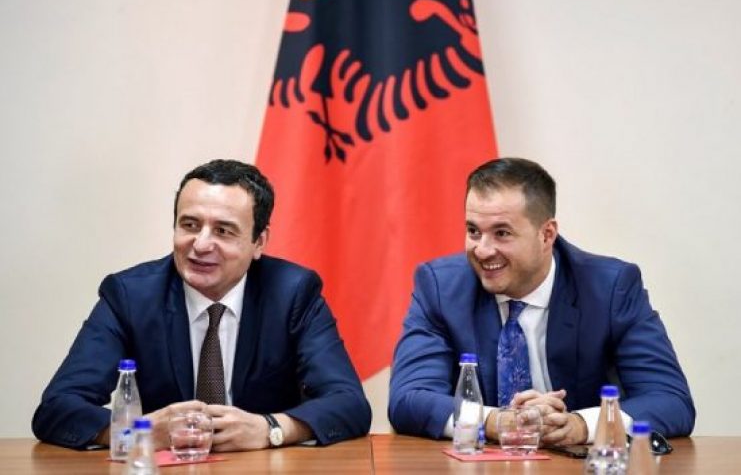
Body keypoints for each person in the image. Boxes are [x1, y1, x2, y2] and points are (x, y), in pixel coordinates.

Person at [33, 159, 371, 451]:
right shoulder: (130, 296)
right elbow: (57, 408)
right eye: (190, 225)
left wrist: (270, 429)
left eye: (223, 231)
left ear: (259, 242)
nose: (201, 244)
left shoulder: (293, 293)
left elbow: (349, 403)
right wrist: (139, 432)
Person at [388, 157, 694, 445]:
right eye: (473, 231)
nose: (482, 250)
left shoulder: (610, 288)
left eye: (502, 233)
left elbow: (670, 400)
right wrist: (497, 421)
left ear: (546, 235)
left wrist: (581, 425)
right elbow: (408, 398)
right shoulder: (441, 287)